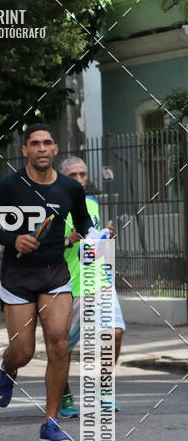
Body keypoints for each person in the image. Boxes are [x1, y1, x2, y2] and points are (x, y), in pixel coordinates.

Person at [0, 124, 96, 441]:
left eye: (47, 142)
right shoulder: (10, 186)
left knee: (58, 342)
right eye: (35, 143)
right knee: (24, 351)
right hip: (18, 277)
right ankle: (8, 367)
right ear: (25, 150)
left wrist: (90, 234)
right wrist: (13, 239)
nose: (41, 148)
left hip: (55, 273)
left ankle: (51, 421)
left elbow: (84, 221)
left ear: (55, 148)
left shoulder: (70, 188)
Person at [58, 156, 125, 416]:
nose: (79, 179)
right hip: (66, 288)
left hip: (98, 282)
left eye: (82, 174)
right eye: (72, 175)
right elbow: (41, 247)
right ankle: (63, 394)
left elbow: (94, 240)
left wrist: (106, 236)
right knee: (61, 348)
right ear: (62, 178)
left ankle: (105, 390)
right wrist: (70, 239)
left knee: (114, 333)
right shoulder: (52, 207)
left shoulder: (92, 204)